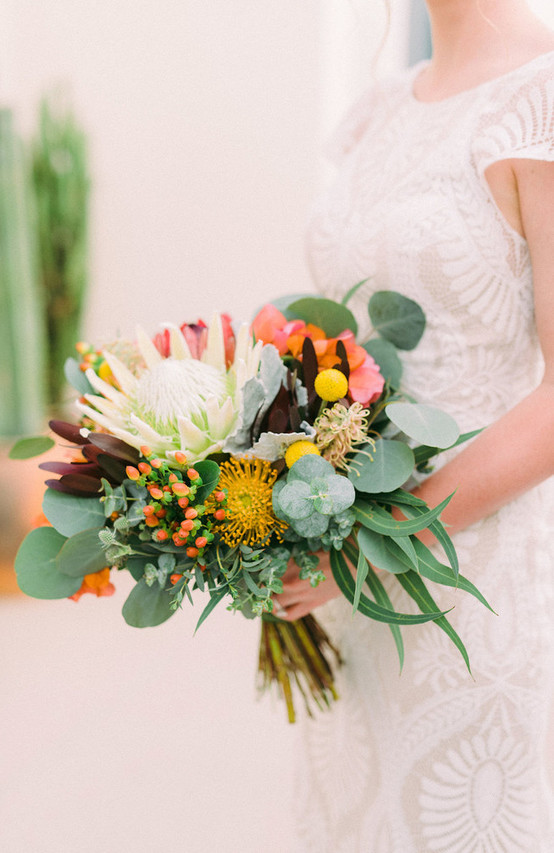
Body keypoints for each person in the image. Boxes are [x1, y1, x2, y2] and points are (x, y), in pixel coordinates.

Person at [274, 0, 554, 849]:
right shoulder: (379, 108)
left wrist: (368, 547)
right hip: (351, 615)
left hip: (478, 596)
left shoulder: (540, 95)